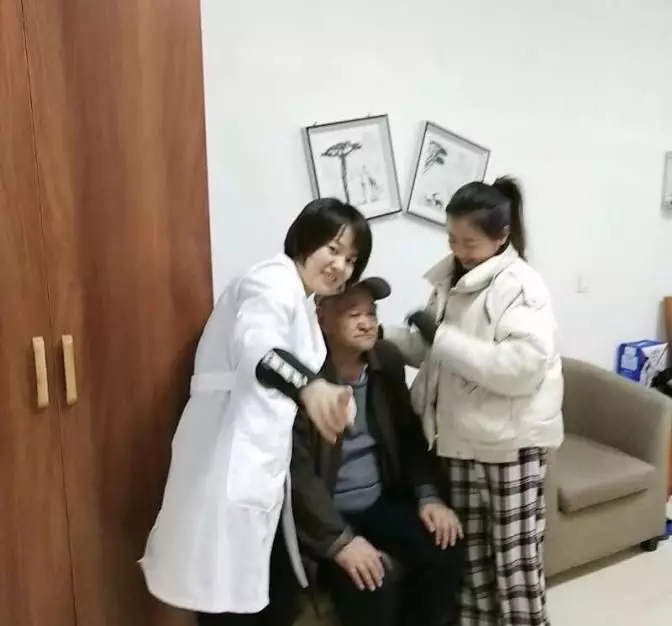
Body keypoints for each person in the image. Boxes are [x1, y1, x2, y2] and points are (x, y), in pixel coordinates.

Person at [139, 198, 373, 626]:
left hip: (262, 472)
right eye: (333, 249)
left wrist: (335, 400)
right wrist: (308, 388)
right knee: (226, 602)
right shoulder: (270, 281)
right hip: (225, 460)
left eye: (352, 259)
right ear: (304, 239)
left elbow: (318, 375)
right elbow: (259, 347)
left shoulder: (303, 306)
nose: (341, 266)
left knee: (261, 597)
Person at [386, 177, 564, 626]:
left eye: (470, 242)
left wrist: (440, 337)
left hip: (510, 445)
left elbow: (522, 368)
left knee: (515, 567)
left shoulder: (520, 286)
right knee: (474, 566)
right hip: (458, 439)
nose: (459, 250)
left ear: (501, 236)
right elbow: (431, 354)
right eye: (452, 239)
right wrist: (378, 335)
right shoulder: (449, 279)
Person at [291, 277, 465, 626]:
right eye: (353, 314)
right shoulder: (304, 376)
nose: (367, 323)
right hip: (328, 514)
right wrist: (340, 541)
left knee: (444, 547)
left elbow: (409, 437)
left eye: (371, 313)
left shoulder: (386, 360)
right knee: (372, 584)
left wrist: (429, 497)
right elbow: (297, 472)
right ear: (322, 318)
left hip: (377, 503)